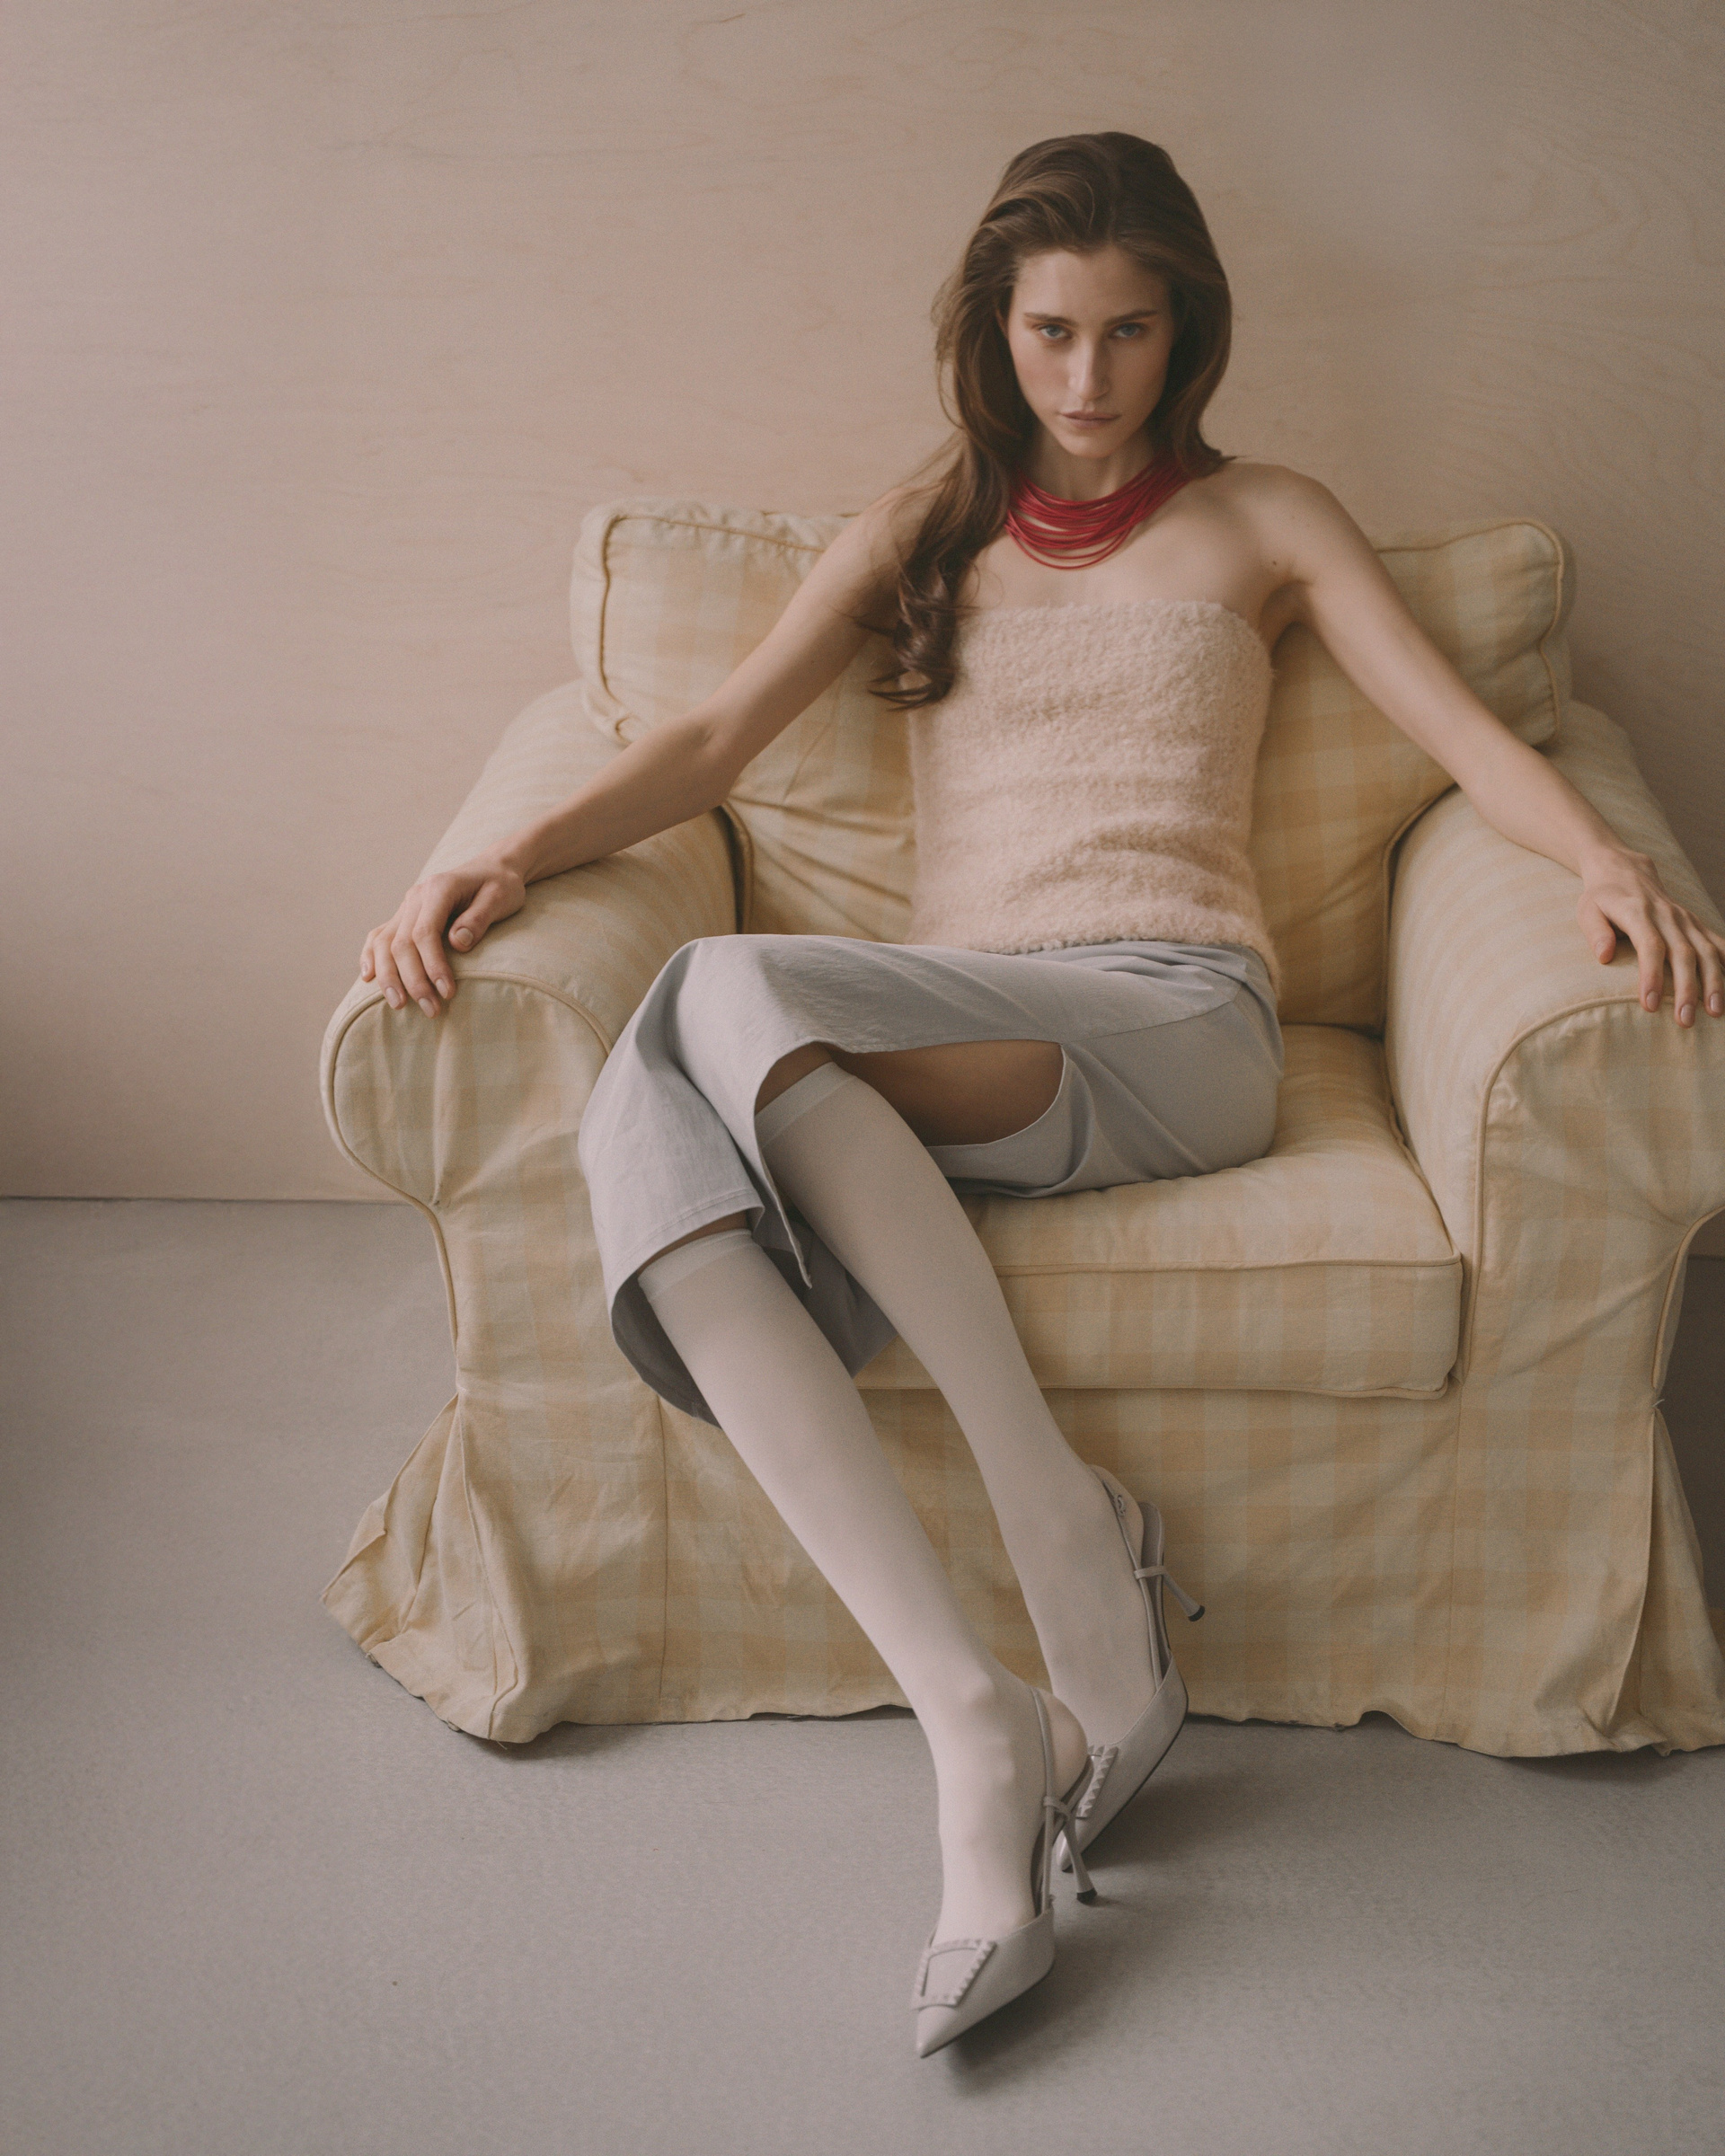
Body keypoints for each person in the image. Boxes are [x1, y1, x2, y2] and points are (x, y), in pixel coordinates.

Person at [358, 133, 1725, 2053]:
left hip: (1178, 1021)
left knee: (709, 1001)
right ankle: (976, 1715)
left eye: (1129, 333)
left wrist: (1602, 860)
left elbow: (1467, 731)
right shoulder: (927, 525)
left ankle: (1066, 1538)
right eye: (1051, 333)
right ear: (994, 335)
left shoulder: (1266, 518)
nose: (1088, 378)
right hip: (968, 1030)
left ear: (1189, 334)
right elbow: (708, 739)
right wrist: (496, 858)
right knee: (665, 1101)